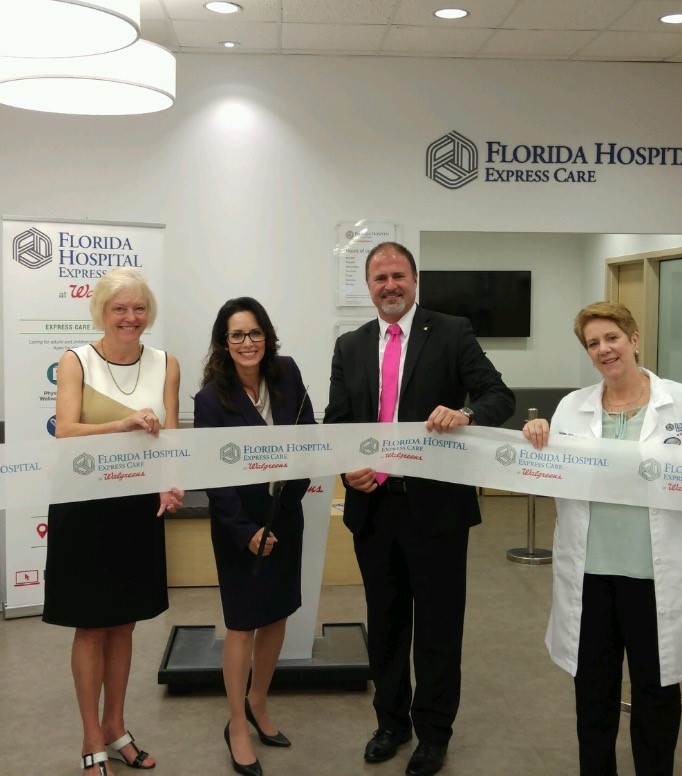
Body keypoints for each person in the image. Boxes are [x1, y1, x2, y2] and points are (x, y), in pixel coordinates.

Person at [324, 242, 515, 776]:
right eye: (380, 277)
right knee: (385, 624)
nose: (390, 285)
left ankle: (433, 733)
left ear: (415, 281)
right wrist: (347, 470)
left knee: (437, 628)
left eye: (399, 276)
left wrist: (467, 414)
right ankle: (390, 723)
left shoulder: (451, 332)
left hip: (437, 511)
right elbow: (339, 422)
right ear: (368, 286)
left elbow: (499, 396)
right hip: (373, 508)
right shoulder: (350, 345)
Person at [523, 301, 682, 776]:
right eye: (593, 343)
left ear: (634, 339)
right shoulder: (571, 408)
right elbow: (547, 471)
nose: (604, 350)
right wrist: (536, 434)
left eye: (612, 338)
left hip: (658, 577)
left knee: (656, 694)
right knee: (593, 696)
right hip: (591, 576)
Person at [43, 268, 183, 776]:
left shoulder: (166, 363)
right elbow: (66, 431)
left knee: (124, 623)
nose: (130, 317)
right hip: (84, 504)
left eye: (139, 308)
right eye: (119, 308)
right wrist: (122, 423)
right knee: (91, 625)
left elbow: (168, 434)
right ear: (101, 311)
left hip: (135, 504)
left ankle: (116, 727)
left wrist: (172, 481)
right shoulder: (75, 360)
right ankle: (90, 737)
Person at [194, 297, 314, 776]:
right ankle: (237, 723)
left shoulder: (286, 373)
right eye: (237, 335)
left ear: (268, 335)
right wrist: (245, 531)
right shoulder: (209, 398)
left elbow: (308, 440)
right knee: (243, 623)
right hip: (238, 525)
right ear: (225, 343)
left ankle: (259, 701)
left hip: (284, 517)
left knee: (277, 612)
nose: (248, 343)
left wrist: (287, 505)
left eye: (255, 333)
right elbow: (212, 475)